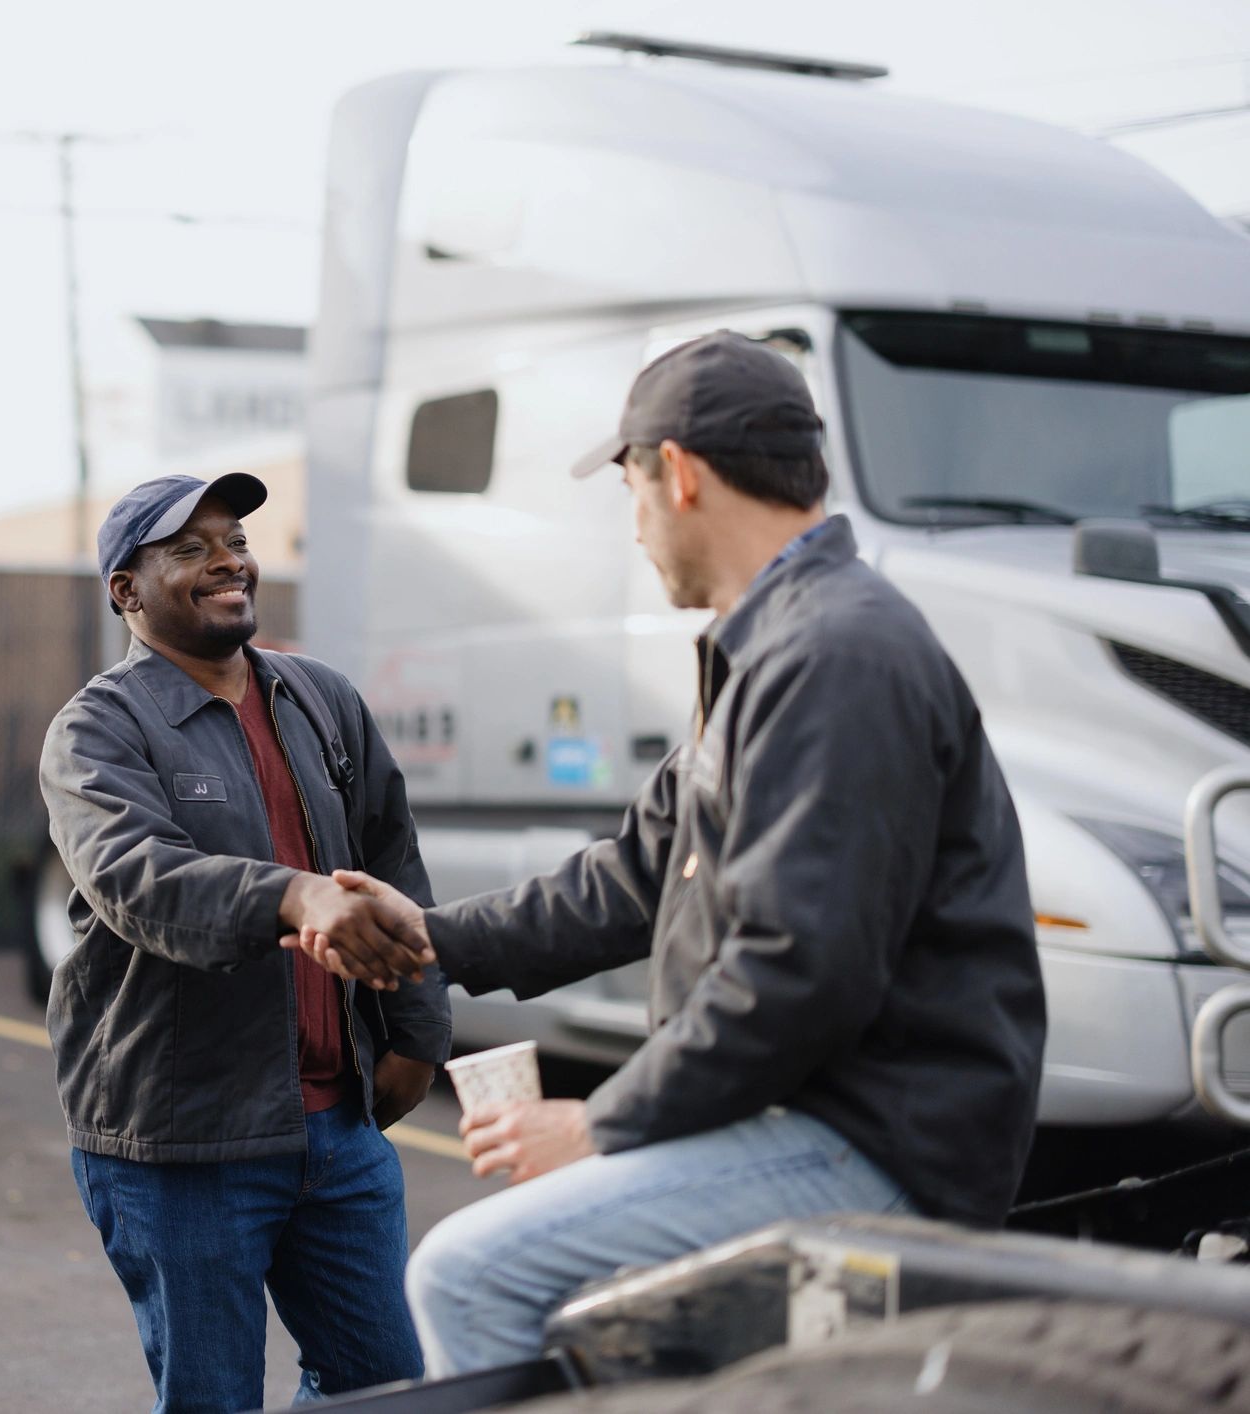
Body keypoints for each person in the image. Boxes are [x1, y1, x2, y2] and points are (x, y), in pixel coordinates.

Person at [290, 333, 1047, 1376]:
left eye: (630, 490)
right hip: (821, 1115)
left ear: (679, 473)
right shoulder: (775, 640)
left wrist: (603, 1123)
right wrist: (429, 938)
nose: (636, 528)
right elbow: (637, 873)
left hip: (877, 1142)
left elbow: (797, 970)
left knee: (467, 1272)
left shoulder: (832, 655)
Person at [38, 471, 454, 1411]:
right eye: (190, 548)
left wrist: (419, 1031)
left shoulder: (320, 700)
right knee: (213, 1400)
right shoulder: (98, 730)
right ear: (126, 591)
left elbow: (396, 865)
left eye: (234, 540)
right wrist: (296, 896)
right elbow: (138, 880)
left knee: (380, 1386)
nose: (229, 560)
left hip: (336, 1131)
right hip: (183, 1139)